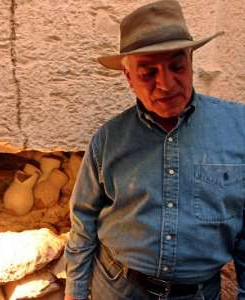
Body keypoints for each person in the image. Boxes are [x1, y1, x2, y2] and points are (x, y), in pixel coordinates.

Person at [64, 0, 245, 299]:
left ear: (190, 63)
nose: (165, 84)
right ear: (128, 78)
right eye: (148, 73)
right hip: (117, 289)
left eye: (177, 66)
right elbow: (83, 224)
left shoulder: (239, 129)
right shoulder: (108, 140)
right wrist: (74, 294)